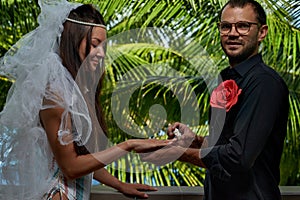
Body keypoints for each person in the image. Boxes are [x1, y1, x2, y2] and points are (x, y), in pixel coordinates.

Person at [0, 1, 169, 199]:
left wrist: (120, 185)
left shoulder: (77, 91)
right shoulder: (55, 96)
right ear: (74, 40)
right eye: (95, 44)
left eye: (104, 47)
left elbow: (84, 160)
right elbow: (71, 167)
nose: (102, 53)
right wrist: (127, 146)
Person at [141, 0, 289, 199]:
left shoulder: (264, 83)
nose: (233, 33)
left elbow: (238, 157)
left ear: (262, 32)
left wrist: (179, 153)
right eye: (226, 26)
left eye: (243, 26)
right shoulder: (224, 77)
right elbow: (224, 143)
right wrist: (194, 141)